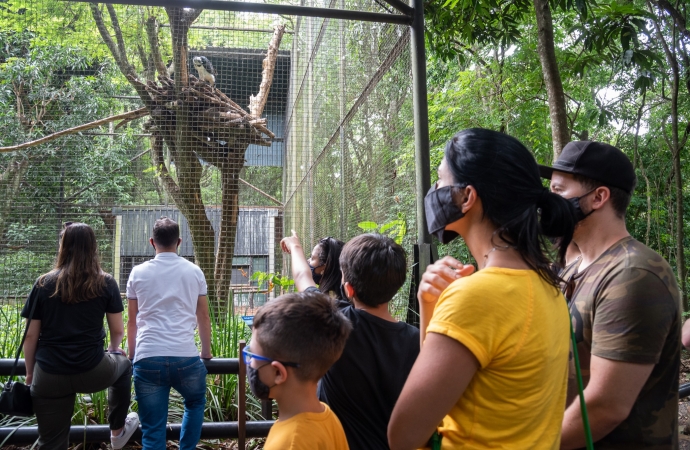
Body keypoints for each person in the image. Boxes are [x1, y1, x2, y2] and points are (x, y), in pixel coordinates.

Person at [388, 128, 577, 449]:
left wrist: (454, 306)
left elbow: (403, 436)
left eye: (440, 180)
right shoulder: (550, 287)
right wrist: (431, 308)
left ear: (467, 197)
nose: (434, 191)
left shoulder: (476, 297)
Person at [540, 141, 681, 449]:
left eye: (558, 192)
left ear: (598, 197)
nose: (548, 202)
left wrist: (526, 444)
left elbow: (606, 406)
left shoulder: (634, 274)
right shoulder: (570, 266)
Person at [282, 233, 419, 450]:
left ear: (348, 289)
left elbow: (302, 277)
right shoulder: (416, 341)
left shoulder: (335, 322)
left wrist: (295, 246)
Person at [22, 222, 138, 450]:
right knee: (124, 365)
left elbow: (30, 336)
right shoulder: (106, 282)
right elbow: (117, 330)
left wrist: (29, 374)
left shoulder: (43, 283)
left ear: (63, 246)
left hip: (49, 374)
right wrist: (114, 348)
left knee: (51, 443)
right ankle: (118, 431)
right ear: (93, 247)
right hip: (93, 371)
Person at [126, 217, 212, 450]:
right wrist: (206, 352)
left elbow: (132, 320)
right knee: (195, 402)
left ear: (152, 242)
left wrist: (133, 355)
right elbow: (203, 317)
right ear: (179, 241)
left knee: (152, 429)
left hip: (148, 357)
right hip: (186, 356)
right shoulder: (195, 272)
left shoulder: (137, 273)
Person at [246, 290, 352, 449]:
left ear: (278, 373)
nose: (249, 362)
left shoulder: (291, 443)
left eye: (253, 355)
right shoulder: (326, 416)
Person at [281, 232, 345, 299]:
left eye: (312, 258)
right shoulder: (345, 300)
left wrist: (295, 246)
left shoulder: (324, 302)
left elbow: (301, 276)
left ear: (325, 268)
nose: (307, 261)